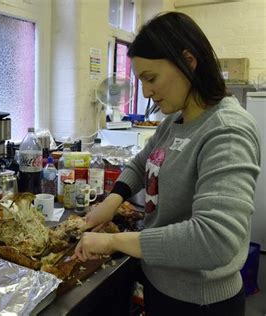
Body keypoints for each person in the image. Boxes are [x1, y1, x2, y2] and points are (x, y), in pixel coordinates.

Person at [72, 11, 261, 316]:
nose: (146, 92)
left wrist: (115, 242)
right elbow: (139, 163)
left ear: (189, 61)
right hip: (163, 287)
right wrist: (112, 201)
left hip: (202, 303)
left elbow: (214, 240)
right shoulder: (174, 121)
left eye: (151, 78)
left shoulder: (227, 130)